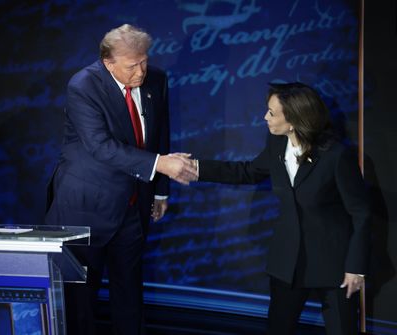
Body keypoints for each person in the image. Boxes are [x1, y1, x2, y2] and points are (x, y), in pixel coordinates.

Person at [45, 24, 197, 335]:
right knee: (80, 300)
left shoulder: (156, 78)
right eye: (132, 65)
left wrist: (159, 193)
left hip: (133, 204)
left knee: (129, 293)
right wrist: (161, 165)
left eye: (144, 60)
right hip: (86, 207)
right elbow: (100, 145)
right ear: (108, 62)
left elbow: (159, 133)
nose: (141, 71)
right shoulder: (83, 86)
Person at [190, 82, 371, 335]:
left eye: (272, 113)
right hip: (288, 263)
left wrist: (356, 267)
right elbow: (247, 172)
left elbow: (361, 213)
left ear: (295, 120)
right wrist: (196, 168)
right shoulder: (277, 144)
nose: (265, 117)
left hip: (335, 267)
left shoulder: (336, 156)